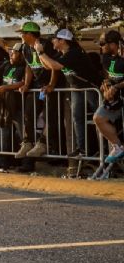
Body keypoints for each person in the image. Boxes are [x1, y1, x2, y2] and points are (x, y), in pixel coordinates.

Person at [36, 29, 102, 173]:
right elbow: (48, 66)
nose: (52, 41)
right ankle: (82, 150)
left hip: (91, 88)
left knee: (100, 120)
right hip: (77, 89)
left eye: (55, 39)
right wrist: (40, 54)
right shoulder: (62, 53)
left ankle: (106, 151)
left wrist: (41, 53)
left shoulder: (74, 52)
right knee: (77, 118)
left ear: (62, 41)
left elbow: (55, 66)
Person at [16, 22, 63, 159]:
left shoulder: (46, 45)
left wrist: (51, 84)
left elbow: (55, 66)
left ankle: (42, 144)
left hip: (52, 86)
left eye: (23, 33)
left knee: (49, 116)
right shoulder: (25, 47)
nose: (21, 35)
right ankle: (27, 142)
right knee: (29, 113)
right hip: (37, 86)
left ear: (30, 34)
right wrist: (26, 84)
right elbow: (29, 67)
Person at [93, 30, 124, 176]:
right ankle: (118, 147)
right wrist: (106, 84)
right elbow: (108, 75)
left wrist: (117, 86)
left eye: (103, 43)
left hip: (120, 93)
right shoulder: (105, 57)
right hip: (115, 98)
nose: (101, 46)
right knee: (99, 118)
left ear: (113, 44)